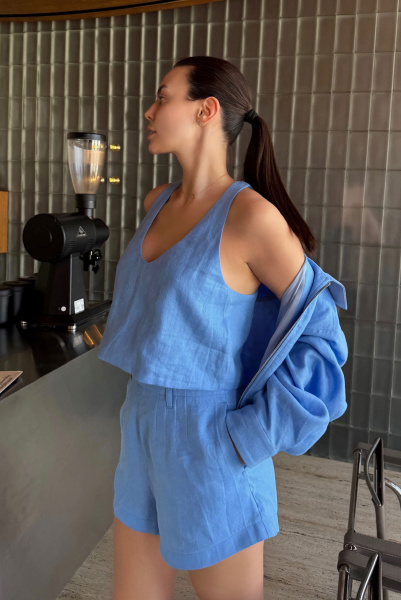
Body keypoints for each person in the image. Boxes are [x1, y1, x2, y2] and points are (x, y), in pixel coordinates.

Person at [97, 55, 348, 600]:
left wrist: (251, 436)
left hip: (211, 437)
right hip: (140, 425)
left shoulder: (251, 217)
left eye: (163, 97)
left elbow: (321, 333)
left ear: (206, 110)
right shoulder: (156, 202)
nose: (149, 111)